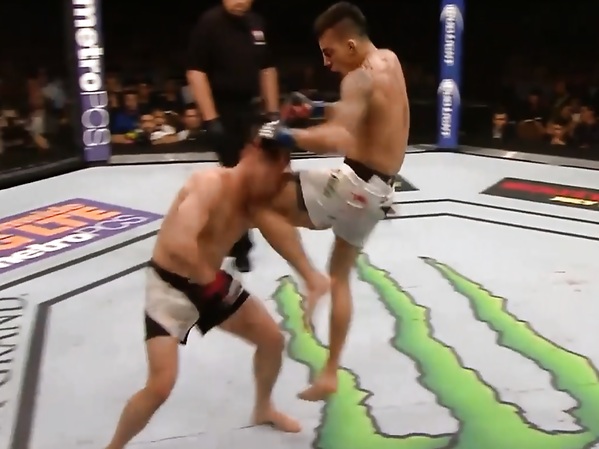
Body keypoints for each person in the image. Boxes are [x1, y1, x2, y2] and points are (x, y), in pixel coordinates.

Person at [253, 1, 410, 402]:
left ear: (351, 45)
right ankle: (329, 374)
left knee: (259, 201)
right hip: (379, 191)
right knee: (341, 275)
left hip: (353, 185)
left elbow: (338, 136)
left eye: (329, 52)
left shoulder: (357, 77)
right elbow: (364, 111)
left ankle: (309, 278)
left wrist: (286, 135)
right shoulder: (389, 60)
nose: (326, 62)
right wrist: (317, 108)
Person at [103, 131, 299, 449]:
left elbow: (300, 219)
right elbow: (180, 245)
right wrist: (212, 282)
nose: (272, 178)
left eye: (278, 170)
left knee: (272, 340)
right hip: (170, 287)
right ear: (250, 153)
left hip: (210, 283)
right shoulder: (208, 183)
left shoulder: (255, 202)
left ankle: (264, 407)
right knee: (160, 385)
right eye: (270, 165)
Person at [186, 0, 280, 272]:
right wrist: (210, 118)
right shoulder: (210, 23)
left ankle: (235, 238)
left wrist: (273, 112)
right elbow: (196, 71)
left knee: (251, 180)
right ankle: (241, 244)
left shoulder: (256, 23)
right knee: (235, 181)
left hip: (251, 111)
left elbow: (267, 68)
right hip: (223, 111)